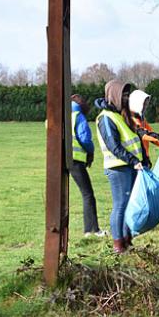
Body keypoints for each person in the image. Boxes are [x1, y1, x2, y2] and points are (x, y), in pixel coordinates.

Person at [94, 80, 145, 254]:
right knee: (121, 205)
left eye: (127, 95)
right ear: (114, 95)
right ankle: (118, 245)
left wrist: (142, 160)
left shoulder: (120, 115)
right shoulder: (106, 118)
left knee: (129, 204)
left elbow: (134, 140)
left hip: (130, 166)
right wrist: (133, 160)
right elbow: (113, 145)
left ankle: (126, 240)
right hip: (118, 168)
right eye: (123, 94)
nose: (126, 98)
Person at [70, 94, 104, 237]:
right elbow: (84, 138)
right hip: (76, 160)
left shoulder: (64, 115)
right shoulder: (79, 116)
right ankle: (92, 230)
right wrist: (91, 151)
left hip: (62, 159)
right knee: (88, 194)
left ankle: (89, 230)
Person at [129, 89, 159, 156]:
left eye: (146, 104)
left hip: (144, 157)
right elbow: (145, 134)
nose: (146, 107)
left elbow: (150, 133)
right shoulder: (130, 120)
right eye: (144, 104)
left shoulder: (142, 119)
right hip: (135, 159)